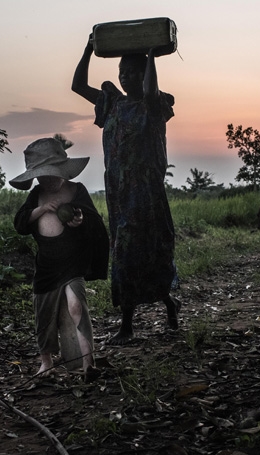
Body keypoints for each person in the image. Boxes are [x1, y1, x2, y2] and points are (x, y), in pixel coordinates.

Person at [71, 36, 180, 345]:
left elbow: (149, 90)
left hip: (145, 194)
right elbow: (78, 86)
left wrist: (151, 54)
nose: (125, 77)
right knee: (124, 254)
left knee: (146, 254)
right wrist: (87, 50)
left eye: (133, 72)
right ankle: (140, 319)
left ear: (145, 73)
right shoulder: (113, 103)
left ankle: (154, 313)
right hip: (119, 193)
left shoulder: (154, 106)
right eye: (122, 71)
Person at [11, 138, 108, 380]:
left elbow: (93, 221)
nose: (48, 181)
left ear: (63, 172)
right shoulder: (36, 195)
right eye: (42, 177)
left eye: (52, 176)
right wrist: (43, 209)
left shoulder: (77, 190)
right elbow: (21, 223)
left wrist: (80, 220)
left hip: (72, 263)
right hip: (47, 266)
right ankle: (46, 361)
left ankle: (89, 363)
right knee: (44, 315)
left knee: (77, 307)